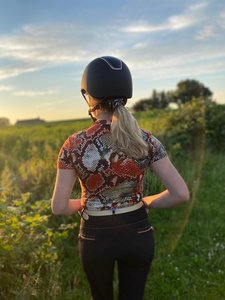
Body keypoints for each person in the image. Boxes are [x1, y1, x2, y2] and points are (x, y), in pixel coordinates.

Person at [51, 56, 190, 300]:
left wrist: (83, 203)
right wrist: (145, 201)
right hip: (138, 231)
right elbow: (180, 194)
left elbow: (59, 207)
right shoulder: (146, 140)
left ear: (90, 96)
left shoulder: (74, 144)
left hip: (95, 236)